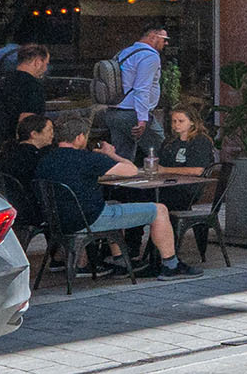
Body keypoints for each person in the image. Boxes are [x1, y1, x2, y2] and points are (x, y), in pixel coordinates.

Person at [30, 118, 187, 276]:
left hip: (59, 222)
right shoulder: (88, 158)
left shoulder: (45, 160)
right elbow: (132, 170)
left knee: (114, 204)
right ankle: (171, 265)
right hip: (90, 220)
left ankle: (120, 261)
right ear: (79, 137)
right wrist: (111, 154)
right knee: (160, 210)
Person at [147, 106, 219, 216]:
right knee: (134, 194)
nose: (176, 124)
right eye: (174, 121)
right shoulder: (170, 142)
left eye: (181, 121)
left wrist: (165, 170)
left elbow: (197, 170)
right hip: (167, 184)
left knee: (145, 197)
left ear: (192, 122)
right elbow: (160, 163)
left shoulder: (200, 141)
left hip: (187, 189)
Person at [115, 22, 170, 149]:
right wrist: (142, 119)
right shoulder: (150, 56)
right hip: (133, 113)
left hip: (115, 111)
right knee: (163, 150)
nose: (166, 43)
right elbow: (142, 89)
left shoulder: (125, 52)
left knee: (123, 155)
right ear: (153, 36)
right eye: (164, 39)